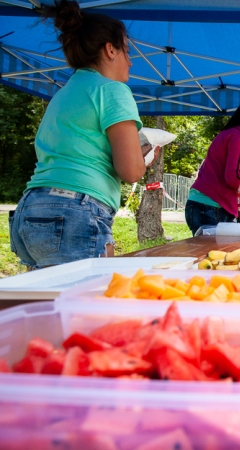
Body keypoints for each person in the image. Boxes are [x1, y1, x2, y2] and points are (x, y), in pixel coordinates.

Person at [10, 0, 152, 269]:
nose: (131, 62)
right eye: (127, 52)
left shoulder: (63, 94)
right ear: (110, 49)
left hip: (31, 208)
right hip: (75, 211)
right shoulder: (113, 91)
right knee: (87, 306)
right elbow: (131, 171)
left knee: (49, 306)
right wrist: (145, 157)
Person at [185, 94, 240, 236]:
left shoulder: (232, 134)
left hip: (204, 205)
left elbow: (236, 176)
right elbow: (234, 177)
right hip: (211, 206)